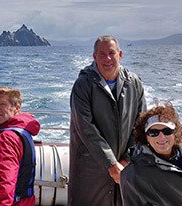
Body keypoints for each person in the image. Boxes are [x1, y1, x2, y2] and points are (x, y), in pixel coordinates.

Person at [68, 35, 146, 205]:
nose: (107, 58)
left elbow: (141, 125)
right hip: (91, 170)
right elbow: (85, 128)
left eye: (111, 53)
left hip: (125, 168)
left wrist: (127, 160)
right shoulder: (83, 85)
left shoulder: (135, 83)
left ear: (120, 54)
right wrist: (111, 163)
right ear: (94, 57)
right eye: (101, 54)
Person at [121, 102, 182, 205]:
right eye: (154, 133)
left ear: (175, 132)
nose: (161, 137)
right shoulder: (134, 174)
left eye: (167, 131)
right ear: (145, 137)